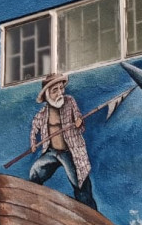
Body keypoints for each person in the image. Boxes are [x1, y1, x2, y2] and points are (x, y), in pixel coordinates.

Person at [28, 73, 97, 210]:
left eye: (61, 88)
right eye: (55, 90)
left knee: (80, 183)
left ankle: (91, 215)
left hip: (69, 151)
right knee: (34, 174)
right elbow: (34, 127)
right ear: (47, 95)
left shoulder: (69, 102)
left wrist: (78, 123)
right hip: (52, 152)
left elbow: (79, 119)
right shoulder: (43, 113)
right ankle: (36, 207)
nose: (60, 92)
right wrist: (33, 142)